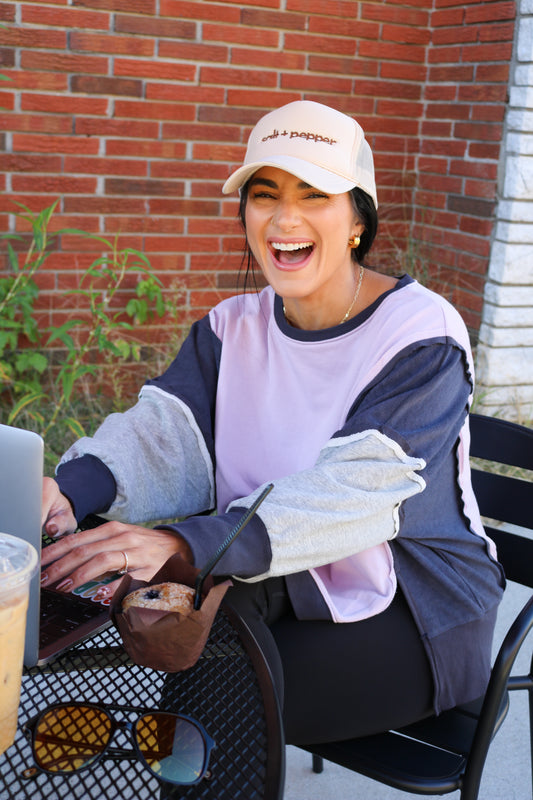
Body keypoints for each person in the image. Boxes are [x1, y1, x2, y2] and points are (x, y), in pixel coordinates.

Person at [41, 100, 505, 746]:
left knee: (216, 702)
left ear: (355, 220)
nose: (284, 218)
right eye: (264, 195)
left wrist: (183, 544)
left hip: (415, 606)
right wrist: (70, 491)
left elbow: (354, 495)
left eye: (314, 193)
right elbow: (164, 436)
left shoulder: (420, 335)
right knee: (188, 656)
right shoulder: (232, 328)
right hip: (282, 575)